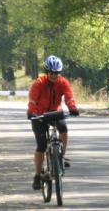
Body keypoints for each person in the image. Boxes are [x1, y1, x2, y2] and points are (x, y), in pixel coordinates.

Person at [27, 55, 79, 190]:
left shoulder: (63, 82)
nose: (54, 75)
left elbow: (69, 97)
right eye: (51, 73)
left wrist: (72, 107)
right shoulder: (39, 83)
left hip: (55, 112)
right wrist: (31, 112)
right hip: (39, 115)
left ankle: (61, 156)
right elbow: (32, 101)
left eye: (57, 73)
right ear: (47, 72)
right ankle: (37, 176)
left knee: (63, 128)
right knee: (41, 145)